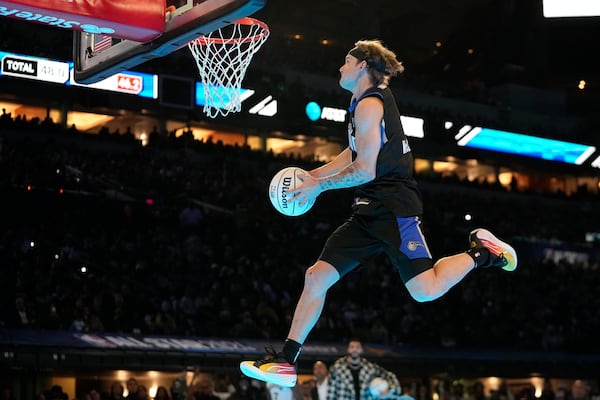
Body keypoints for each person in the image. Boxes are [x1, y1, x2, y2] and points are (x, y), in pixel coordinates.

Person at [240, 38, 518, 387]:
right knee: (316, 277)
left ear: (362, 66)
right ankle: (286, 361)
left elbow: (366, 170)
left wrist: (319, 188)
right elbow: (353, 153)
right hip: (368, 209)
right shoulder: (361, 103)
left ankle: (482, 252)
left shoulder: (370, 105)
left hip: (393, 207)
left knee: (425, 289)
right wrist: (314, 175)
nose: (340, 67)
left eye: (346, 61)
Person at [327, 339, 400, 400]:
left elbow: (390, 375)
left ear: (362, 350)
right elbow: (331, 392)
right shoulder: (337, 368)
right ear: (348, 349)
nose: (354, 349)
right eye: (352, 347)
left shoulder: (370, 367)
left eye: (357, 347)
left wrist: (391, 390)